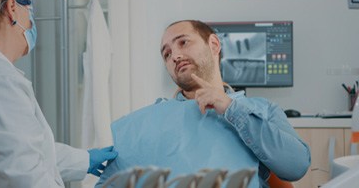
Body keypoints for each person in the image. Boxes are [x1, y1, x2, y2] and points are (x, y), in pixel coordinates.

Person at [96, 20, 310, 188]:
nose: (175, 56)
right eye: (167, 54)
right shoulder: (148, 123)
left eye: (183, 42)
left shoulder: (261, 110)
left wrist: (231, 109)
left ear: (214, 44)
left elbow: (296, 166)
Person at [0, 0, 117, 187]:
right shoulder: (0, 82)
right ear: (12, 8)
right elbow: (25, 176)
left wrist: (85, 160)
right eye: (30, 9)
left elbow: (18, 150)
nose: (32, 22)